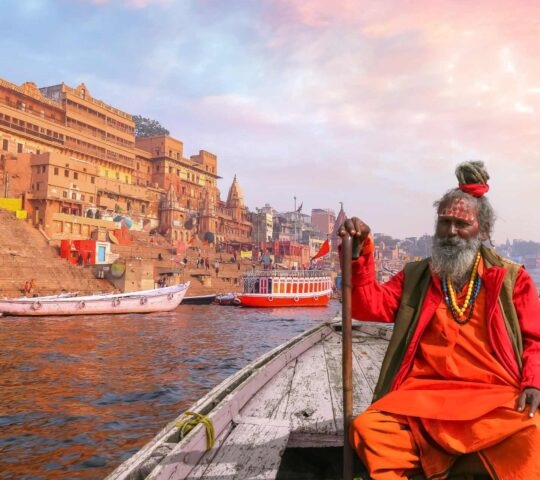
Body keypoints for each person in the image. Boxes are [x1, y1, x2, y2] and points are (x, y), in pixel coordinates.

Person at [338, 161, 540, 479]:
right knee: (369, 430)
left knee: (533, 432)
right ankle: (466, 465)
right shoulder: (417, 275)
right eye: (444, 223)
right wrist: (360, 253)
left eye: (461, 224)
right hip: (421, 397)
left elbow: (535, 339)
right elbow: (367, 307)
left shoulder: (512, 278)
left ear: (483, 231)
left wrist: (533, 382)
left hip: (491, 397)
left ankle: (449, 466)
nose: (451, 232)